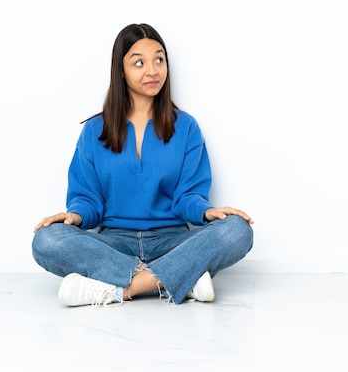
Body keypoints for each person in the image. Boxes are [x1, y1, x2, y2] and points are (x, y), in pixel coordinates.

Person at [31, 23, 254, 308]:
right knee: (47, 240)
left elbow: (188, 197)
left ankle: (118, 289)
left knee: (237, 230)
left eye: (159, 59)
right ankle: (179, 279)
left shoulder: (185, 127)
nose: (152, 70)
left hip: (172, 241)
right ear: (120, 70)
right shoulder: (95, 130)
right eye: (139, 62)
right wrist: (75, 217)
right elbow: (88, 201)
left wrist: (208, 211)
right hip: (114, 243)